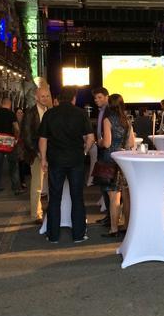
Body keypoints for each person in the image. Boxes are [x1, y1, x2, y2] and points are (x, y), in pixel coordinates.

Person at [38, 87, 95, 243]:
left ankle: (53, 235)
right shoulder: (81, 113)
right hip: (76, 160)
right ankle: (78, 235)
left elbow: (43, 139)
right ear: (73, 98)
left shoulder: (49, 114)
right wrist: (84, 151)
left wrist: (43, 159)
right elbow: (90, 138)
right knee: (77, 197)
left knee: (54, 198)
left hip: (56, 160)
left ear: (59, 98)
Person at [100, 94, 136, 238]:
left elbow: (107, 143)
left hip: (111, 159)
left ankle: (114, 229)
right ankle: (126, 226)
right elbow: (131, 143)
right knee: (126, 196)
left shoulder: (108, 120)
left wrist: (100, 141)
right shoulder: (127, 120)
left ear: (110, 105)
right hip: (125, 160)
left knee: (114, 196)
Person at [22, 86, 52, 222]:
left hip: (50, 153)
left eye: (47, 96)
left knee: (50, 183)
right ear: (36, 97)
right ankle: (36, 214)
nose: (45, 98)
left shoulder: (49, 111)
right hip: (35, 155)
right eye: (42, 96)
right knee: (37, 185)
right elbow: (27, 136)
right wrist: (38, 153)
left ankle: (51, 210)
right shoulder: (30, 113)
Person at [0, 98, 22, 196]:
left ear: (1, 103)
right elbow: (16, 128)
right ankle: (16, 188)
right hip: (9, 141)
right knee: (13, 166)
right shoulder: (11, 114)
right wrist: (16, 139)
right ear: (9, 104)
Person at [92, 87, 111, 225]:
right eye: (95, 98)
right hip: (101, 149)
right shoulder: (101, 111)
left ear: (106, 97)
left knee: (108, 186)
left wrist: (101, 142)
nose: (96, 100)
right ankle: (109, 216)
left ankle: (112, 217)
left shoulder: (110, 112)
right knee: (104, 185)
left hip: (107, 151)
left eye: (99, 97)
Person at [15, 108, 29, 190]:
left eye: (21, 112)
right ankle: (18, 182)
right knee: (16, 164)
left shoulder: (25, 123)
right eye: (18, 112)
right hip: (15, 146)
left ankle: (22, 181)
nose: (20, 114)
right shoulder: (14, 123)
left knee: (22, 164)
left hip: (23, 146)